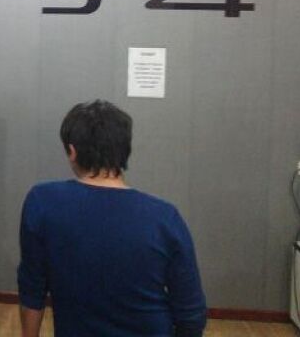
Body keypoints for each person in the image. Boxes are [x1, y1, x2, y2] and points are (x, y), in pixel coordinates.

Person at [18, 100, 207, 337]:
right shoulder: (165, 218)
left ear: (72, 152)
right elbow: (191, 315)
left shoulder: (43, 202)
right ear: (125, 150)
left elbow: (32, 292)